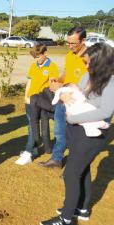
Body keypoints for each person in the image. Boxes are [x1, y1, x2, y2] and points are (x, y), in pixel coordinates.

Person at [40, 43, 114, 225]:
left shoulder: (111, 82)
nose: (86, 66)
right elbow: (77, 91)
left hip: (91, 134)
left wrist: (74, 118)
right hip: (77, 130)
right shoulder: (90, 75)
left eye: (89, 63)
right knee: (83, 170)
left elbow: (105, 111)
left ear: (101, 62)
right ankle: (81, 208)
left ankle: (65, 218)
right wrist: (63, 93)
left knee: (70, 174)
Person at [39, 27, 88, 168]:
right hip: (62, 100)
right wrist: (57, 80)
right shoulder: (69, 55)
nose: (70, 46)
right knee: (59, 132)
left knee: (76, 136)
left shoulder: (89, 57)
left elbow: (89, 83)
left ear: (83, 40)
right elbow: (67, 73)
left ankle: (74, 166)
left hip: (77, 103)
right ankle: (57, 159)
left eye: (73, 43)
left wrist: (62, 87)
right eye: (68, 43)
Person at [15, 44, 59, 165]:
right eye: (34, 57)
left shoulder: (52, 67)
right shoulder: (33, 66)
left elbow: (53, 86)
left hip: (41, 101)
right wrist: (26, 97)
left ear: (45, 53)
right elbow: (29, 82)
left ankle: (28, 152)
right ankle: (33, 150)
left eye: (38, 56)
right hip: (30, 101)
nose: (36, 59)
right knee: (31, 126)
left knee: (37, 126)